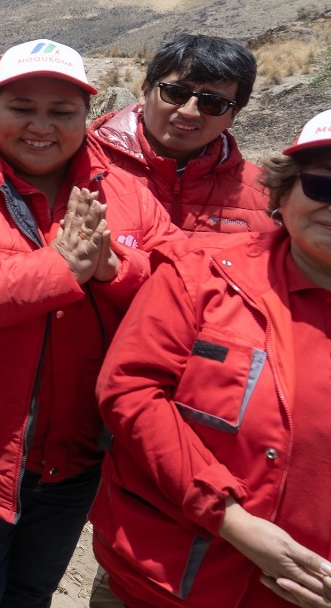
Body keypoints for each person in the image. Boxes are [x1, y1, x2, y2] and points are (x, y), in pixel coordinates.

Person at [0, 39, 181, 608]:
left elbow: (182, 289)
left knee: (29, 593)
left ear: (86, 117)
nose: (40, 126)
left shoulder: (126, 194)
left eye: (61, 112)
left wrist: (114, 269)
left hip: (73, 452)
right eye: (22, 108)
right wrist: (61, 268)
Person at [89, 108, 331, 608]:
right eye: (324, 187)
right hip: (157, 581)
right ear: (283, 196)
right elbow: (130, 391)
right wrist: (231, 519)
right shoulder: (202, 273)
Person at [90, 34, 274, 234]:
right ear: (144, 92)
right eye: (176, 92)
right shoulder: (83, 168)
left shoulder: (268, 198)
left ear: (232, 116)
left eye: (213, 103)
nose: (189, 111)